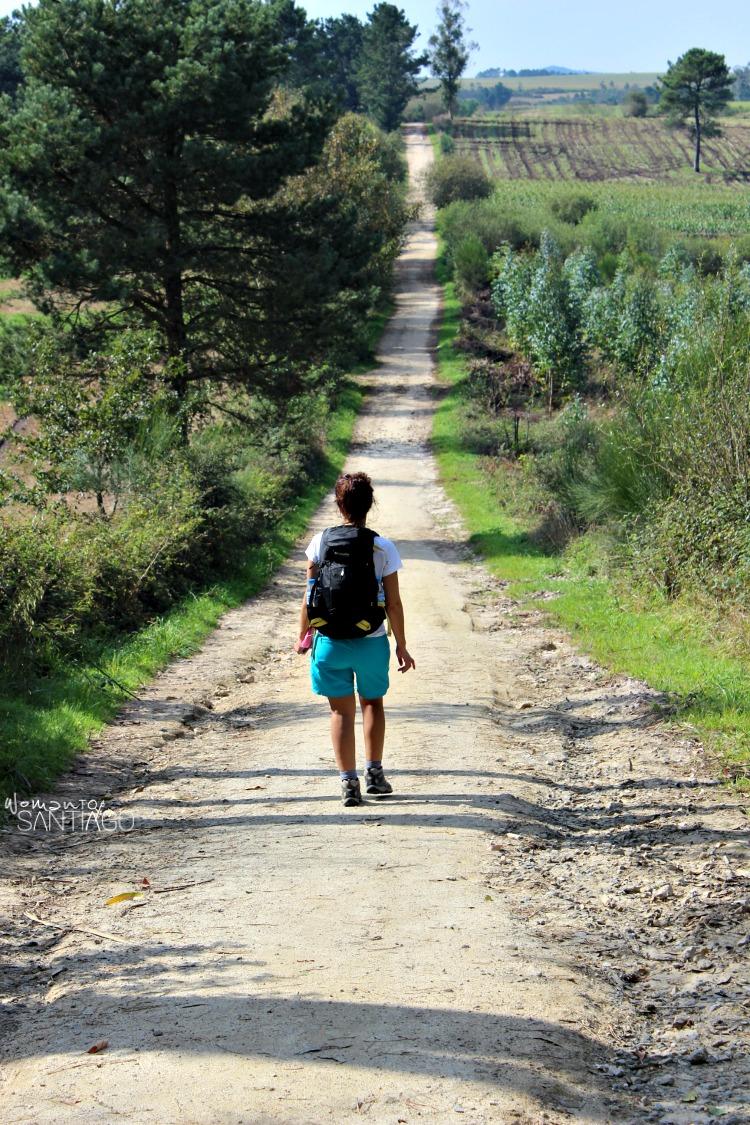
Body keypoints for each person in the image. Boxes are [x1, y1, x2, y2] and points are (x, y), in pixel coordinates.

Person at [295, 472, 416, 807]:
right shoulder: (383, 547)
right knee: (372, 703)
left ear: (339, 504)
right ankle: (374, 774)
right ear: (370, 504)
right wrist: (401, 645)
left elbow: (309, 595)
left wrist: (303, 635)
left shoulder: (320, 543)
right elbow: (393, 602)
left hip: (330, 642)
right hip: (371, 639)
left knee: (340, 713)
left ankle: (349, 783)